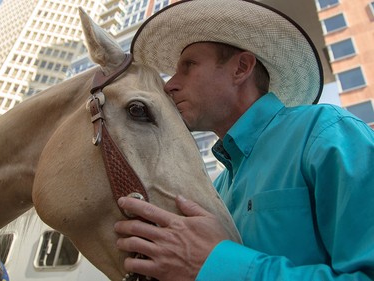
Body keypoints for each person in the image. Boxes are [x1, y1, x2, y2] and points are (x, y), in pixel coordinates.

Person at [114, 0, 374, 280]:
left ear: (241, 68)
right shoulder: (217, 187)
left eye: (188, 65)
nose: (170, 84)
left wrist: (217, 265)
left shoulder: (326, 132)